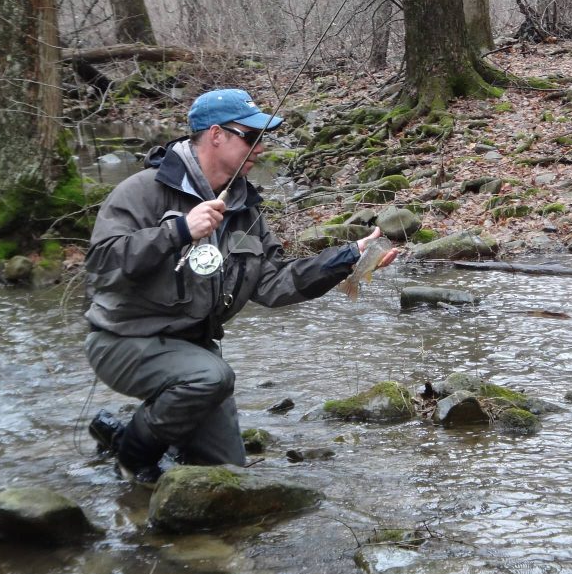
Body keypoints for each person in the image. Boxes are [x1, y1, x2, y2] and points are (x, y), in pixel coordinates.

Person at [83, 88, 397, 487]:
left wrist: (346, 259)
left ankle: (161, 438)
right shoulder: (143, 191)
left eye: (262, 137)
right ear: (216, 135)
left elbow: (273, 284)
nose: (261, 147)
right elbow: (102, 264)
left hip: (192, 350)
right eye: (252, 137)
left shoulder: (245, 209)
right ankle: (131, 452)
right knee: (212, 377)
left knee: (226, 476)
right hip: (122, 340)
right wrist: (178, 231)